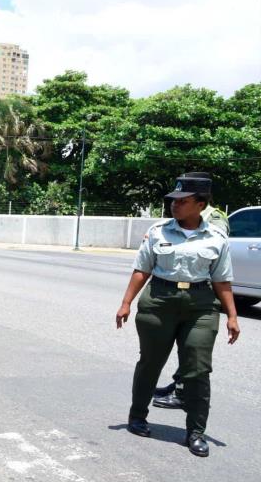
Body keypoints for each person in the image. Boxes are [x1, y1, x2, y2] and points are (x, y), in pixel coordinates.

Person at [116, 175, 240, 457]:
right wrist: (126, 303)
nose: (174, 206)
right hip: (159, 301)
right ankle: (137, 417)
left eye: (182, 202)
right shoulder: (158, 231)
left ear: (200, 204)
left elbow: (222, 281)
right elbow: (142, 270)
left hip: (200, 305)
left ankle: (195, 432)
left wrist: (232, 315)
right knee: (150, 362)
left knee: (197, 368)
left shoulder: (217, 239)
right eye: (173, 201)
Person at [153, 172, 230, 409]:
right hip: (181, 292)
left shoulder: (213, 218)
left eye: (184, 193)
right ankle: (178, 383)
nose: (177, 201)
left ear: (200, 198)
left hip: (201, 291)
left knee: (193, 351)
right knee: (185, 347)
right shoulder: (179, 219)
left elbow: (213, 254)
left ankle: (183, 392)